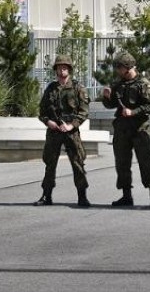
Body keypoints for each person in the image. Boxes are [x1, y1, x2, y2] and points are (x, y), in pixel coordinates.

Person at [102, 51, 150, 207]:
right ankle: (127, 195)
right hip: (122, 130)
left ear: (127, 67)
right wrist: (107, 97)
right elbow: (111, 104)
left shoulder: (144, 84)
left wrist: (132, 112)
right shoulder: (118, 84)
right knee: (122, 163)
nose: (117, 71)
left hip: (140, 129)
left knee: (146, 161)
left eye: (119, 67)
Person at [34, 54, 91, 207]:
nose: (62, 70)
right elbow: (42, 111)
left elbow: (84, 111)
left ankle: (82, 196)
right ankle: (47, 195)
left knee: (78, 163)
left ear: (69, 70)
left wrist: (72, 125)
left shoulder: (78, 88)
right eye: (59, 67)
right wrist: (49, 122)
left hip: (71, 132)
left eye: (65, 67)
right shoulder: (51, 89)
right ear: (56, 70)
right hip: (54, 132)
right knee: (50, 164)